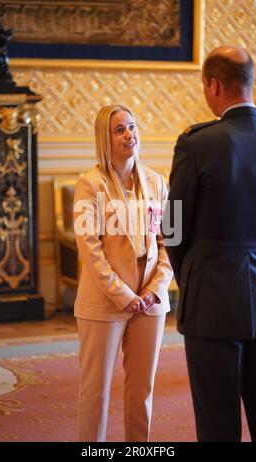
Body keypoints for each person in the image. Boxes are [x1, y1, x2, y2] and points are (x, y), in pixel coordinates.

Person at [164, 45, 256, 442]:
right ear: (251, 82)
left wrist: (191, 277)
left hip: (210, 300)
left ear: (213, 85)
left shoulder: (197, 143)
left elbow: (173, 229)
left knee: (217, 423)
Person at [73, 104, 173, 442]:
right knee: (96, 392)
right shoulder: (88, 184)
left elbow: (171, 243)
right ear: (106, 138)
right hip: (104, 302)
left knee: (142, 391)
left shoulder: (159, 182)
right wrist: (124, 296)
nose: (130, 134)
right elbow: (90, 250)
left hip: (150, 302)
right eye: (120, 129)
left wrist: (155, 290)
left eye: (132, 127)